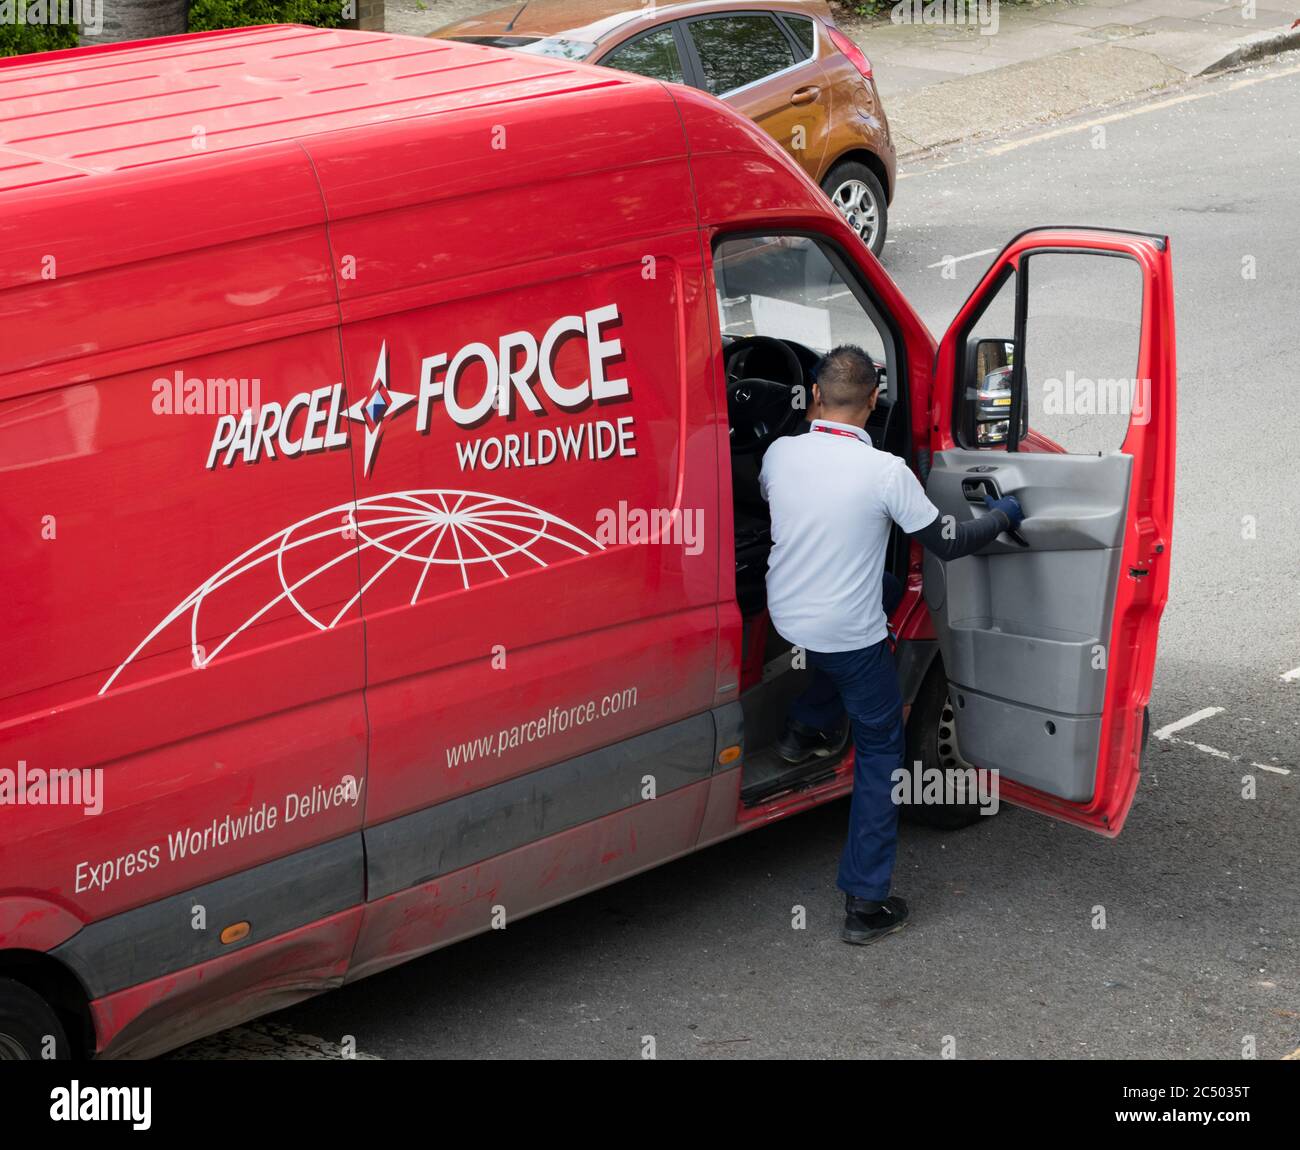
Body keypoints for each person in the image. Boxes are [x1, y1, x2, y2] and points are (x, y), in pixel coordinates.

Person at [759, 345, 1023, 945]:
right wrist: (1004, 514)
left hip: (788, 618)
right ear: (876, 401)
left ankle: (802, 731)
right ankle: (865, 902)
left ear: (816, 396)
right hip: (848, 638)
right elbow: (950, 543)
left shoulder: (779, 453)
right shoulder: (885, 472)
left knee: (863, 600)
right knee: (882, 754)